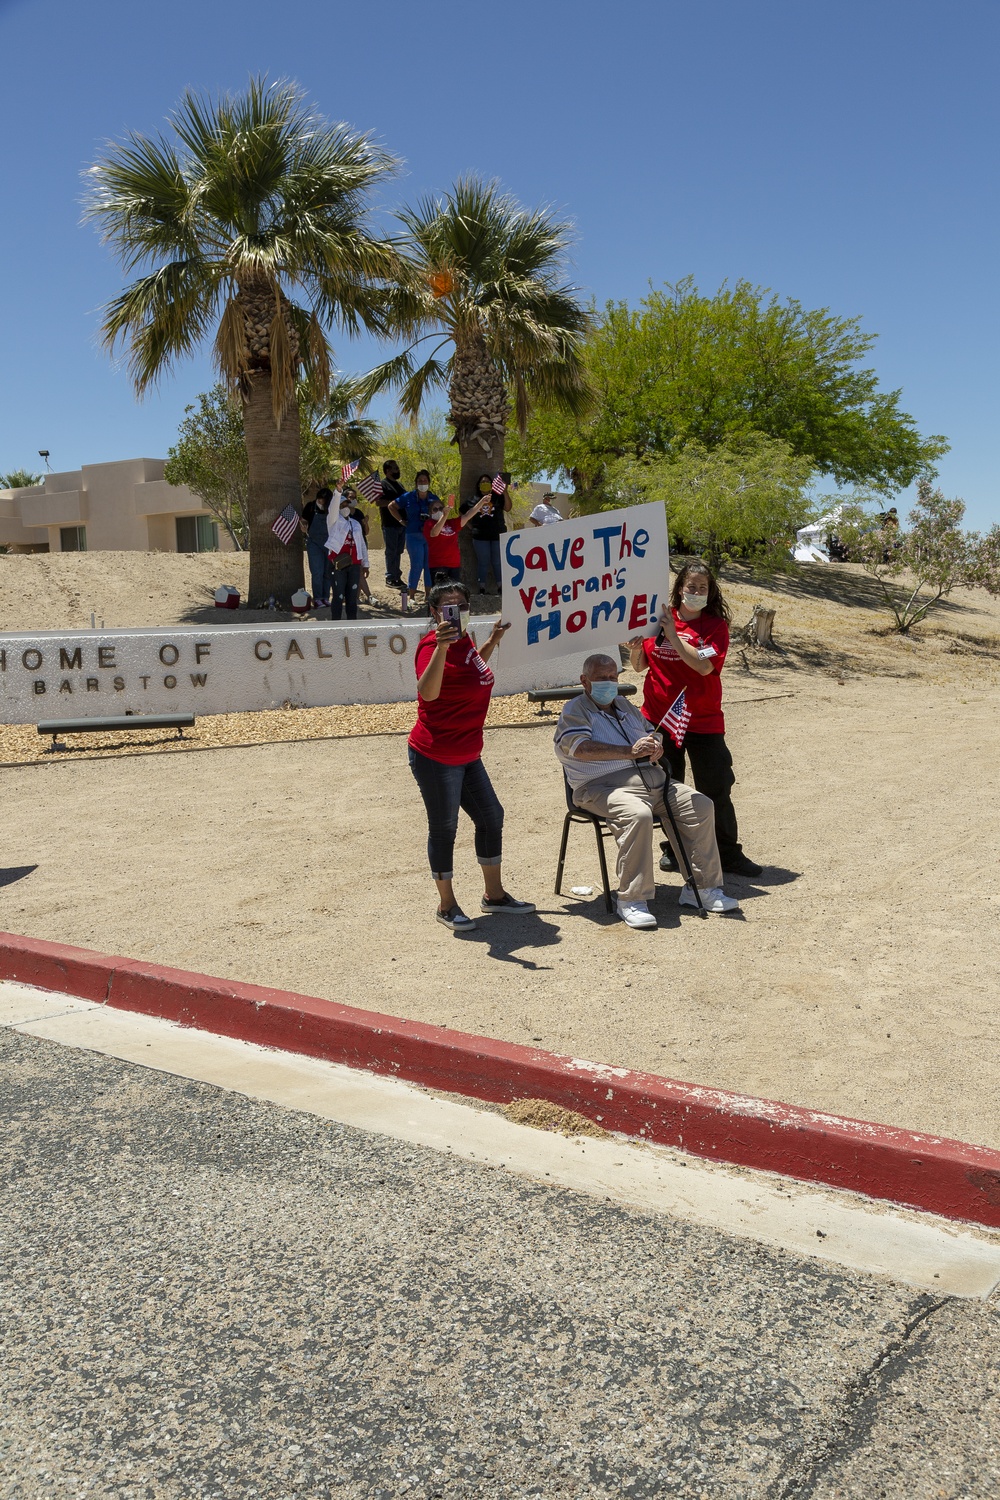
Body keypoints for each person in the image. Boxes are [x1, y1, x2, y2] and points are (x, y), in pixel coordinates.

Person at [554, 653, 739, 928]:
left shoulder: (624, 705)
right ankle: (631, 899)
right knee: (638, 815)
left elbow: (650, 731)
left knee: (700, 804)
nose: (609, 683)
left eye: (613, 677)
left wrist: (656, 744)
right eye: (601, 678)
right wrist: (629, 752)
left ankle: (701, 887)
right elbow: (578, 748)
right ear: (584, 680)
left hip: (651, 779)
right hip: (601, 786)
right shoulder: (575, 710)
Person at [408, 581, 535, 931]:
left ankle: (493, 897)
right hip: (436, 755)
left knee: (491, 816)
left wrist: (491, 642)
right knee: (445, 828)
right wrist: (440, 648)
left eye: (462, 605)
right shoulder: (431, 646)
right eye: (449, 607)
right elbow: (428, 693)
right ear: (435, 613)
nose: (457, 611)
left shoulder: (466, 642)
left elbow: (471, 671)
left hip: (467, 753)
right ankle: (446, 905)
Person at [629, 559, 761, 878]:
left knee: (715, 789)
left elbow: (704, 667)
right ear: (679, 589)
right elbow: (639, 666)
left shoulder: (715, 627)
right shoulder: (657, 618)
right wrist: (634, 648)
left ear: (710, 592)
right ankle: (675, 850)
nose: (696, 592)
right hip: (661, 722)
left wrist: (674, 636)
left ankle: (727, 852)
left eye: (703, 587)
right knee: (668, 790)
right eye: (691, 586)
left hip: (703, 722)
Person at [390, 468, 438, 602]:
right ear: (416, 483)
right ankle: (411, 596)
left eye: (425, 480)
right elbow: (391, 506)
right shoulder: (408, 496)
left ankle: (429, 595)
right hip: (413, 534)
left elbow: (440, 515)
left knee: (429, 565)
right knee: (416, 565)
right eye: (420, 480)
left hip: (430, 536)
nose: (422, 482)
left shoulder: (433, 498)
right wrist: (401, 520)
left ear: (429, 482)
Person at [460, 473, 511, 594]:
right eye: (482, 482)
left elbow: (508, 508)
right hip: (480, 536)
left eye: (487, 482)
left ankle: (501, 587)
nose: (485, 484)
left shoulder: (497, 497)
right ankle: (481, 587)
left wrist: (505, 492)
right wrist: (470, 526)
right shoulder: (473, 500)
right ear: (478, 485)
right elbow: (461, 512)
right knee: (483, 562)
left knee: (497, 562)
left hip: (498, 535)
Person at [325, 490, 369, 619]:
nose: (345, 508)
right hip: (338, 564)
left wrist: (365, 564)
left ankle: (352, 623)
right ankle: (336, 623)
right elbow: (333, 508)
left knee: (352, 596)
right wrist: (338, 492)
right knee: (338, 595)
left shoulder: (355, 524)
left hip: (354, 564)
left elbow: (361, 544)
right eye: (342, 505)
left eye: (346, 505)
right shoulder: (333, 521)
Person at [423, 494, 479, 583]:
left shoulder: (452, 523)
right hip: (438, 565)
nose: (438, 511)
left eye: (441, 508)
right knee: (440, 593)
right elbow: (434, 533)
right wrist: (444, 516)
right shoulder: (429, 524)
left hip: (454, 564)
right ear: (430, 513)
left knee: (454, 591)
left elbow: (468, 515)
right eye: (435, 509)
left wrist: (481, 502)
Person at [299, 486, 334, 608]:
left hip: (329, 543)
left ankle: (325, 597)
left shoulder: (331, 509)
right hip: (314, 543)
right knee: (317, 571)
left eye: (323, 499)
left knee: (327, 572)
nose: (320, 501)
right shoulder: (310, 506)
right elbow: (303, 520)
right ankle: (318, 598)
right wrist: (303, 527)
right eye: (319, 498)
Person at [376, 460, 407, 589]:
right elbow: (378, 502)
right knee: (391, 551)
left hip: (402, 523)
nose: (397, 470)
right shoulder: (383, 485)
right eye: (395, 468)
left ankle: (397, 576)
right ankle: (390, 577)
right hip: (389, 524)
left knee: (398, 551)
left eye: (397, 467)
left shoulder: (399, 485)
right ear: (387, 470)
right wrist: (394, 503)